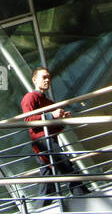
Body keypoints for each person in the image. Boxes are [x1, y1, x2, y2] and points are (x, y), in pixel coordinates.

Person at [20, 67, 90, 205]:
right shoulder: (30, 97)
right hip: (42, 140)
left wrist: (62, 120)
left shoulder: (49, 102)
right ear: (34, 80)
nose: (47, 80)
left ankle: (41, 207)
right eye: (44, 77)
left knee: (48, 177)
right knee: (64, 164)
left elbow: (54, 127)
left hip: (47, 139)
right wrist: (52, 115)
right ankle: (81, 194)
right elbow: (29, 121)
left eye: (48, 78)